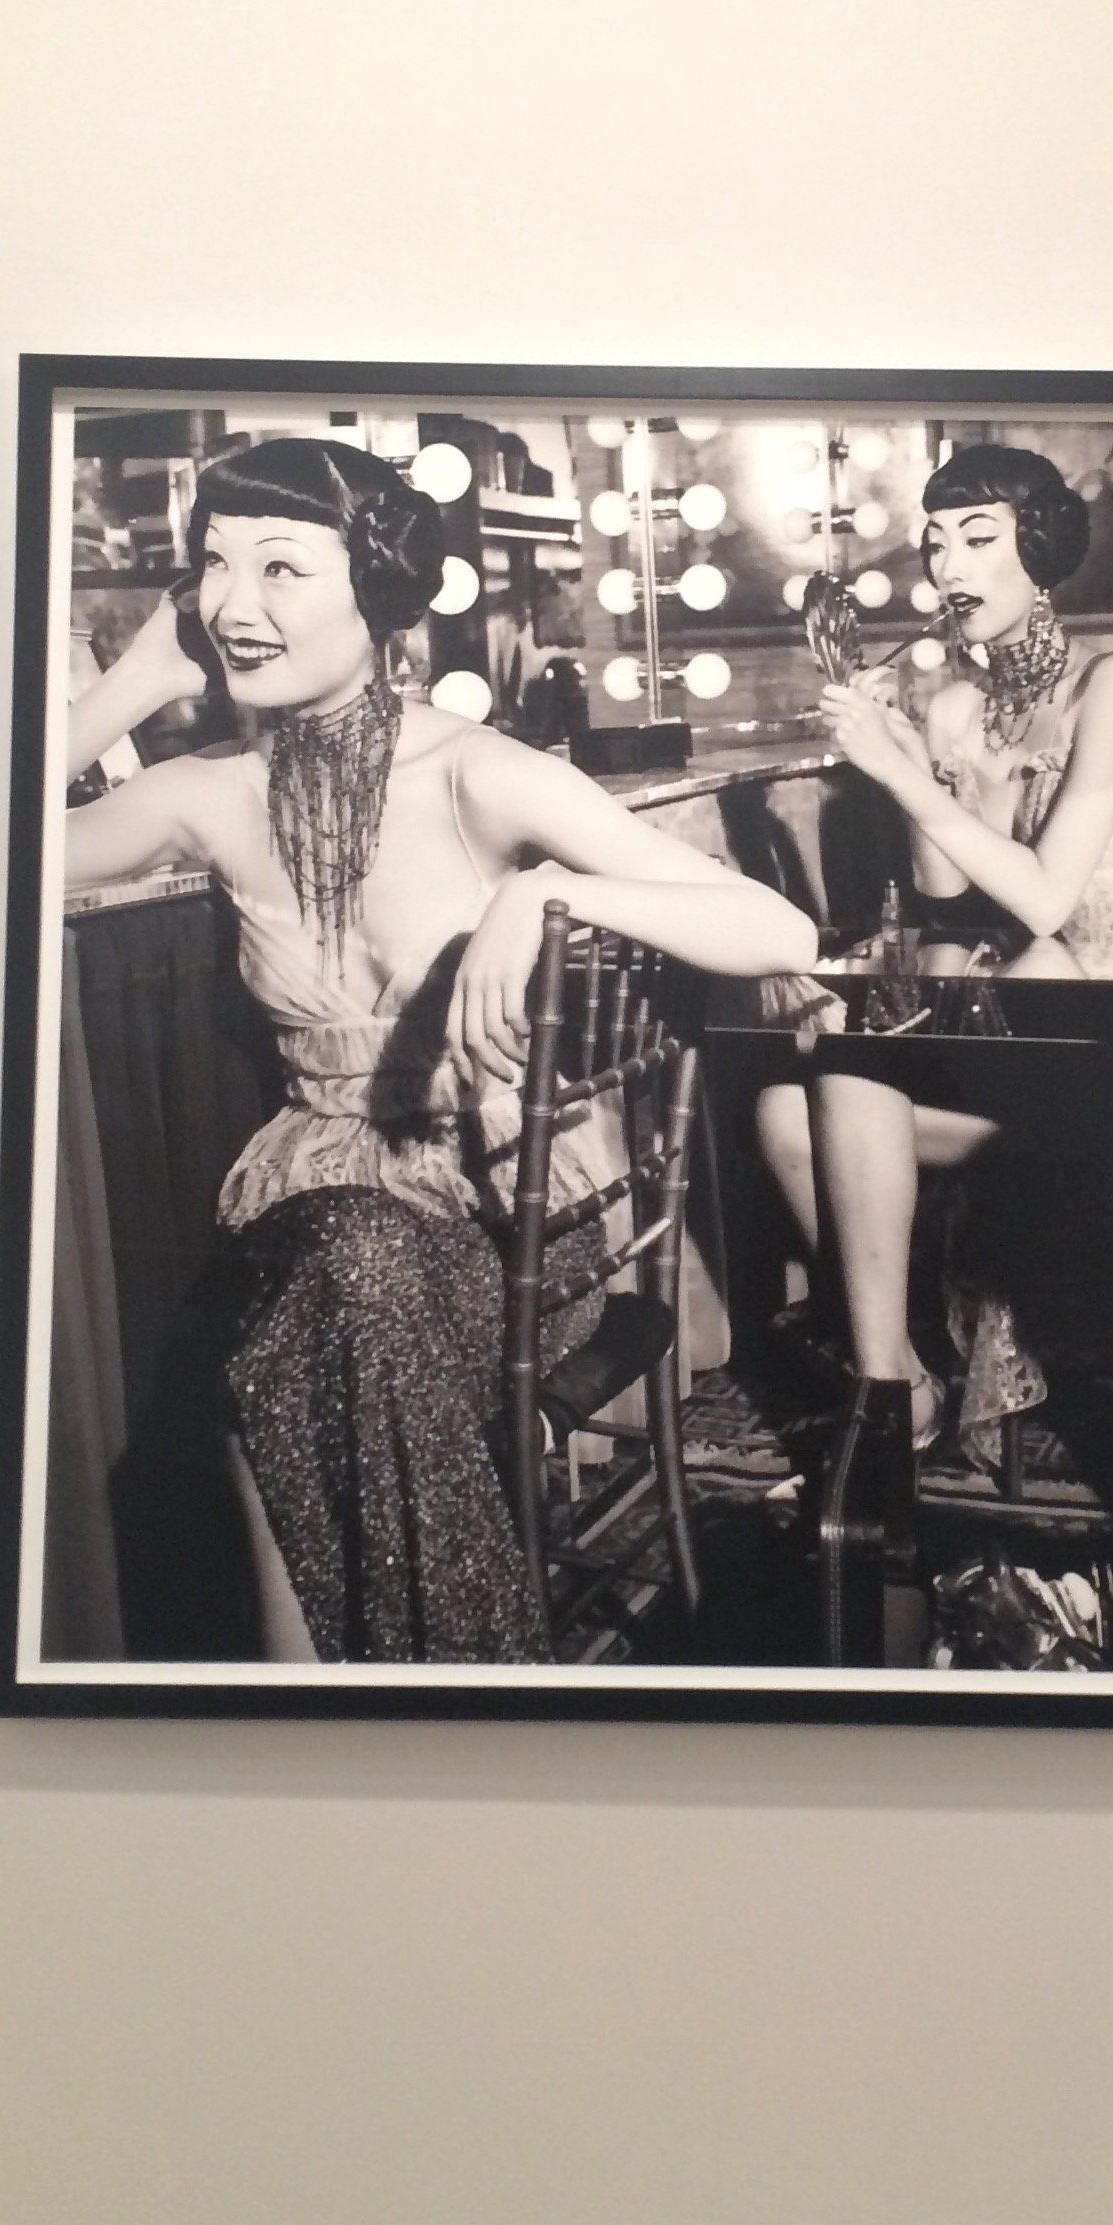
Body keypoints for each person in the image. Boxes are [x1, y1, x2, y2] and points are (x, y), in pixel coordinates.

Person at [62, 435, 816, 1662]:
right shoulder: (207, 791)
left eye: (279, 567)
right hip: (323, 1230)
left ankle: (360, 1701)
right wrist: (139, 680)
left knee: (317, 1314)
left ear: (374, 588)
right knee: (339, 1281)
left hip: (509, 1240)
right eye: (212, 566)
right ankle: (474, 1683)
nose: (233, 605)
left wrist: (549, 895)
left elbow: (779, 930)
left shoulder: (475, 773)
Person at [755, 442, 1113, 1456]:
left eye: (978, 539)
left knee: (846, 1080)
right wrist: (915, 758)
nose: (948, 567)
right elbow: (948, 908)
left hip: (1109, 1040)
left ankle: (887, 1404)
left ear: (1041, 547)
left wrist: (907, 780)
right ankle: (897, 1372)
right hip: (1013, 1017)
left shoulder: (1111, 686)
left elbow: (1046, 901)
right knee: (780, 1112)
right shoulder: (955, 704)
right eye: (935, 544)